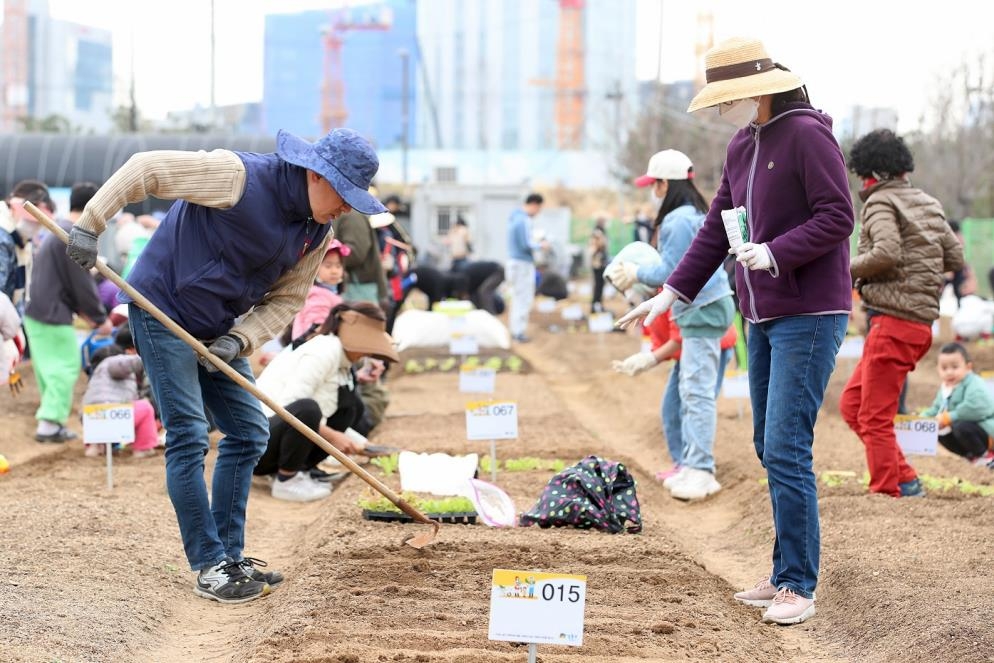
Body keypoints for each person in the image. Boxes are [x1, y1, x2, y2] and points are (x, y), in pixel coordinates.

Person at [64, 127, 386, 604]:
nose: (346, 208)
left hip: (219, 327)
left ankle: (230, 555)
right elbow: (147, 169)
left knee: (249, 431)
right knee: (190, 434)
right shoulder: (239, 177)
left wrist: (240, 340)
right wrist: (91, 224)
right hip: (161, 307)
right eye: (344, 195)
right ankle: (209, 564)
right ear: (317, 175)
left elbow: (288, 300)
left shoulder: (316, 233)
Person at [618, 37, 854, 625]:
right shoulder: (742, 145)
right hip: (762, 314)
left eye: (730, 98)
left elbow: (838, 216)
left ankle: (799, 583)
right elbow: (714, 233)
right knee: (764, 447)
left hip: (810, 312)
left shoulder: (807, 133)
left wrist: (775, 253)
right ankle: (781, 573)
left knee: (786, 446)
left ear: (759, 88)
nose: (725, 109)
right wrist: (668, 294)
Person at [839, 128, 963, 499]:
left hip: (893, 320)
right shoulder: (929, 203)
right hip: (921, 324)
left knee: (873, 417)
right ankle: (904, 478)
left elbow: (887, 253)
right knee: (852, 405)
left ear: (870, 172)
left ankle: (886, 490)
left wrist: (842, 270)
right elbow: (955, 258)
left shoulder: (879, 202)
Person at [609, 149, 735, 500]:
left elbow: (672, 270)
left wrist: (637, 272)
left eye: (655, 184)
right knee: (692, 391)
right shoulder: (693, 213)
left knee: (696, 393)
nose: (654, 190)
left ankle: (701, 470)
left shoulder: (678, 220)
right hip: (706, 308)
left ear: (666, 184)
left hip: (703, 309)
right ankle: (694, 465)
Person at [254, 302, 399, 501]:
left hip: (278, 436)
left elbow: (331, 410)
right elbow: (290, 409)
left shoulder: (342, 359)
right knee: (308, 408)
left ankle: (304, 470)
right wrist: (334, 436)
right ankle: (286, 480)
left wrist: (364, 446)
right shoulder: (323, 351)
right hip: (258, 446)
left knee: (351, 406)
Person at [23, 182, 112, 443]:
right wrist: (99, 318)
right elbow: (81, 283)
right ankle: (49, 425)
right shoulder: (71, 235)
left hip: (40, 311)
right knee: (64, 367)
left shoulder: (59, 229)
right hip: (50, 313)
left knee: (50, 369)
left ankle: (50, 421)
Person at [612, 310, 737, 483]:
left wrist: (651, 358)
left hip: (709, 346)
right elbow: (663, 336)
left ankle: (698, 467)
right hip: (685, 353)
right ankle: (683, 465)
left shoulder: (670, 292)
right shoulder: (655, 296)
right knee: (671, 410)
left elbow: (679, 337)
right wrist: (650, 356)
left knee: (694, 407)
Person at [81, 332, 158, 459]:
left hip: (91, 417)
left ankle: (95, 447)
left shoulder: (96, 376)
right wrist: (147, 357)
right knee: (145, 407)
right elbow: (125, 363)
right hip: (113, 413)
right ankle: (143, 448)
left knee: (100, 408)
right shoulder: (113, 362)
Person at [921, 342, 994, 467]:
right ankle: (971, 456)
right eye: (944, 368)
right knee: (938, 431)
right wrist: (922, 418)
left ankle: (986, 455)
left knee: (960, 425)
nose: (949, 372)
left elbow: (976, 407)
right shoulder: (946, 388)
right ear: (938, 369)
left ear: (968, 367)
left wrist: (948, 417)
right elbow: (936, 408)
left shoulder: (974, 384)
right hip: (967, 431)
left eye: (955, 367)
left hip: (987, 432)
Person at [290, 239, 349, 341]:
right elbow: (317, 327)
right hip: (312, 345)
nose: (334, 271)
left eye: (338, 266)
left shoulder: (330, 293)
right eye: (328, 266)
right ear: (315, 268)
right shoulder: (318, 295)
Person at [506, 193, 545, 343]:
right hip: (522, 264)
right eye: (539, 209)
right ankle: (518, 332)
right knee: (524, 298)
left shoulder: (514, 218)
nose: (538, 213)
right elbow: (526, 244)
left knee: (517, 297)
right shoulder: (523, 220)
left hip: (514, 263)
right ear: (534, 204)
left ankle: (515, 330)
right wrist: (541, 245)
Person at [588, 215, 609, 313]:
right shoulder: (597, 232)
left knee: (600, 285)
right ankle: (595, 305)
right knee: (598, 285)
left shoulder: (600, 232)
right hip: (597, 263)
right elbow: (598, 245)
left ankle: (598, 304)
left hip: (601, 263)